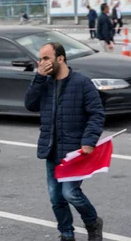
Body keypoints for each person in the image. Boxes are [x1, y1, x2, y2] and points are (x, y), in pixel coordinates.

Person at [24, 42, 105, 241]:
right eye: (40, 59)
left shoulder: (82, 83)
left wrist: (89, 140)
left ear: (60, 58)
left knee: (70, 193)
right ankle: (66, 234)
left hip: (74, 152)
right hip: (51, 149)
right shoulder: (44, 82)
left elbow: (96, 114)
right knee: (56, 197)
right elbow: (30, 105)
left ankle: (93, 222)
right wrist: (38, 78)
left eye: (46, 58)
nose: (41, 63)